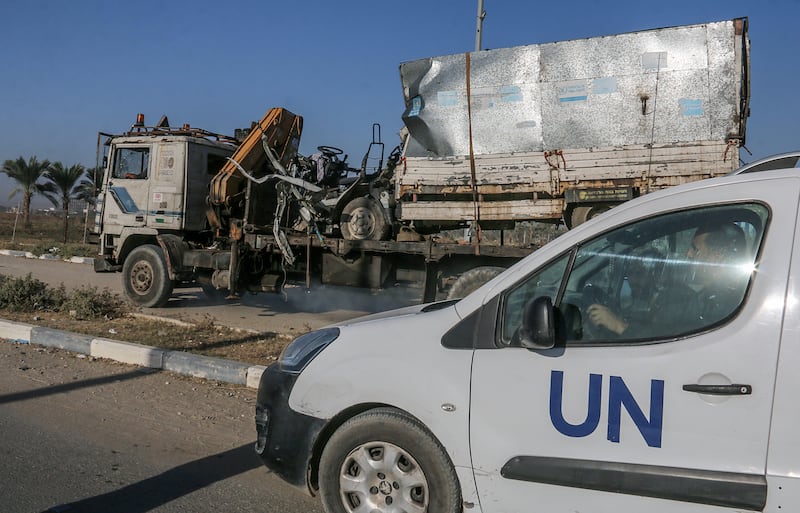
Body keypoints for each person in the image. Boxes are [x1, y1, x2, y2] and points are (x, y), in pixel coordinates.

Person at [587, 221, 748, 338]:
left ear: (716, 256)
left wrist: (619, 326)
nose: (688, 254)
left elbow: (675, 345)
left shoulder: (724, 303)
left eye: (695, 249)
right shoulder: (710, 296)